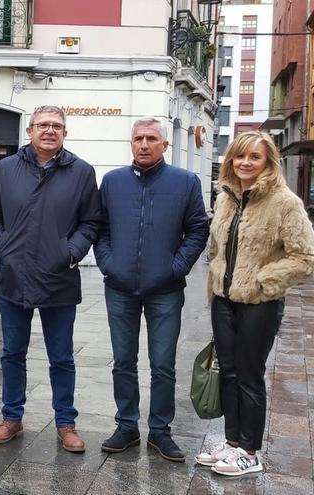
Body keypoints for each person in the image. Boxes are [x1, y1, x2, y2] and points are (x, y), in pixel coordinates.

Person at [0, 105, 100, 452]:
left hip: (58, 278)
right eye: (43, 125)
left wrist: (71, 252)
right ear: (30, 130)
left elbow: (91, 222)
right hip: (13, 277)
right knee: (12, 353)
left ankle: (66, 423)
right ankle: (11, 418)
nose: (50, 131)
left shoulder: (81, 172)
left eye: (57, 126)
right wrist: (1, 246)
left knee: (61, 355)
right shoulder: (5, 169)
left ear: (65, 133)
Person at [195, 131, 314, 475]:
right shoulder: (228, 198)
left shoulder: (284, 202)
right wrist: (218, 276)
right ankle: (231, 442)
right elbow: (219, 248)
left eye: (254, 157)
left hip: (259, 303)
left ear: (268, 162)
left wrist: (263, 281)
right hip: (223, 299)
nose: (245, 163)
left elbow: (304, 257)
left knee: (249, 375)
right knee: (228, 372)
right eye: (239, 156)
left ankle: (250, 450)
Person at [94, 118, 210, 462]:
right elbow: (99, 229)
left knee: (163, 364)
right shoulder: (113, 182)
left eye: (151, 139)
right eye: (138, 139)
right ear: (131, 144)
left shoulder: (186, 182)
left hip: (165, 290)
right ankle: (127, 426)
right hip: (119, 288)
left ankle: (160, 431)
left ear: (164, 145)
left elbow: (198, 230)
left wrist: (175, 269)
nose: (144, 144)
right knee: (123, 362)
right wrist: (109, 264)